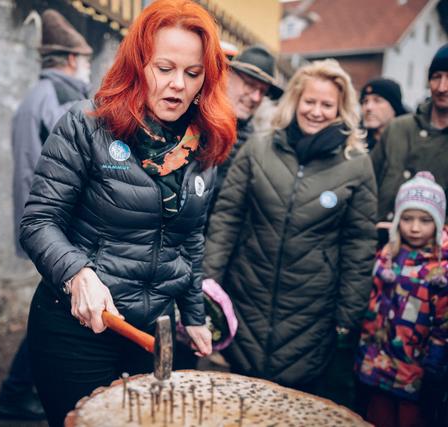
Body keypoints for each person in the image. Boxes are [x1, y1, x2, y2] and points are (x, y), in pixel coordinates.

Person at [19, 0, 236, 425]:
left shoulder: (204, 145)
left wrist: (193, 316)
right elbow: (39, 221)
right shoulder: (85, 125)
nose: (178, 85)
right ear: (138, 65)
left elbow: (189, 241)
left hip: (153, 333)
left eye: (192, 74)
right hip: (78, 329)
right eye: (164, 68)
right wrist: (77, 273)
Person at [203, 59, 377, 398]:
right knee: (241, 402)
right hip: (247, 297)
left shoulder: (356, 164)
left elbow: (359, 244)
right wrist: (210, 285)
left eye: (327, 105)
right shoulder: (259, 148)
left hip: (312, 312)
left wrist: (348, 315)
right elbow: (227, 218)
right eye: (309, 101)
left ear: (341, 109)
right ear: (295, 101)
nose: (316, 111)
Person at [0, 8, 93, 421]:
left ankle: (17, 390)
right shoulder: (59, 100)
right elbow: (50, 172)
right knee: (55, 309)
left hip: (48, 227)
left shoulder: (44, 95)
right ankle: (15, 392)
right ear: (71, 60)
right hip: (57, 230)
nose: (88, 68)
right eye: (86, 61)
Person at [356, 172, 447, 427]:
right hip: (379, 364)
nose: (415, 227)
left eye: (425, 220)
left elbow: (443, 323)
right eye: (407, 219)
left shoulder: (440, 269)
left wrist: (435, 367)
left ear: (438, 222)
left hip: (415, 370)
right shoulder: (387, 256)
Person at [372, 44, 448, 223]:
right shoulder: (397, 128)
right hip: (381, 242)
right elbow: (365, 188)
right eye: (436, 77)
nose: (442, 87)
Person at [214, 44, 283, 202]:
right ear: (227, 77)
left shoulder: (254, 145)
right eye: (250, 85)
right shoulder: (194, 119)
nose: (256, 98)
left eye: (263, 91)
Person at [360, 77, 407, 151]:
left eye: (377, 101)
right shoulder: (354, 143)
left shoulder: (409, 143)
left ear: (394, 107)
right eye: (365, 101)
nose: (368, 107)